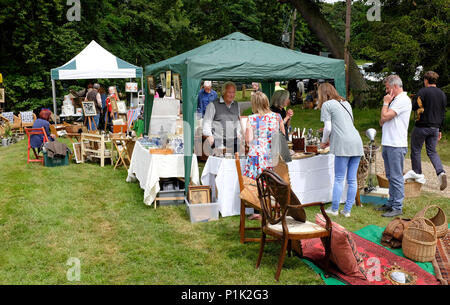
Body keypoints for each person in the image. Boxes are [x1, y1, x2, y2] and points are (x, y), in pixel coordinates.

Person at [318, 83, 363, 218]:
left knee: (339, 178)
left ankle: (335, 208)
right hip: (356, 141)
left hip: (343, 143)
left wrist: (323, 141)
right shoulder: (346, 103)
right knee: (352, 179)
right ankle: (347, 210)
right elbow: (347, 124)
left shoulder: (327, 105)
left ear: (323, 94)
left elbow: (328, 128)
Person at [244, 91, 285, 220]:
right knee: (273, 182)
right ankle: (273, 209)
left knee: (257, 184)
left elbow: (248, 139)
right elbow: (282, 136)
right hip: (272, 155)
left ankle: (260, 210)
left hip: (257, 155)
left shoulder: (251, 118)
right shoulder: (277, 117)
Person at [377, 75, 412, 217]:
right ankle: (391, 202)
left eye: (387, 88)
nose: (386, 91)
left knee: (396, 176)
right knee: (390, 175)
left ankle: (398, 206)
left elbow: (384, 117)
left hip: (396, 143)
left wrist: (385, 103)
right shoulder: (395, 100)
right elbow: (381, 120)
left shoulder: (403, 100)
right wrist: (386, 110)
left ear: (395, 87)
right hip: (388, 142)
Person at [411, 71, 447, 190]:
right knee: (432, 151)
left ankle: (417, 176)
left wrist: (413, 99)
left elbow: (414, 106)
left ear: (426, 80)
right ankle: (440, 172)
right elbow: (443, 113)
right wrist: (440, 129)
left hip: (422, 126)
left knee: (416, 150)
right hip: (435, 127)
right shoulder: (442, 94)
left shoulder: (422, 92)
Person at [203, 81, 242, 154]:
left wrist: (238, 134)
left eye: (233, 92)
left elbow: (238, 122)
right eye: (229, 92)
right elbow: (207, 122)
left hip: (233, 141)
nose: (232, 95)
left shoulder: (236, 105)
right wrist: (209, 136)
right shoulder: (213, 105)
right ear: (223, 92)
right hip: (218, 140)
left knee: (235, 163)